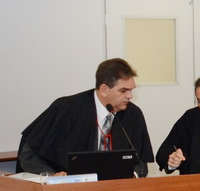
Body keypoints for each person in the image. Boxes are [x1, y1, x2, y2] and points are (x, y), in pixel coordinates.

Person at [18, 58, 154, 177]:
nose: (130, 96)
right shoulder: (66, 109)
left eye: (131, 90)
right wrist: (52, 175)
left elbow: (140, 161)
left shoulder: (133, 114)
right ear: (104, 90)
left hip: (115, 189)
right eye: (123, 91)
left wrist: (133, 175)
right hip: (67, 188)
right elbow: (29, 155)